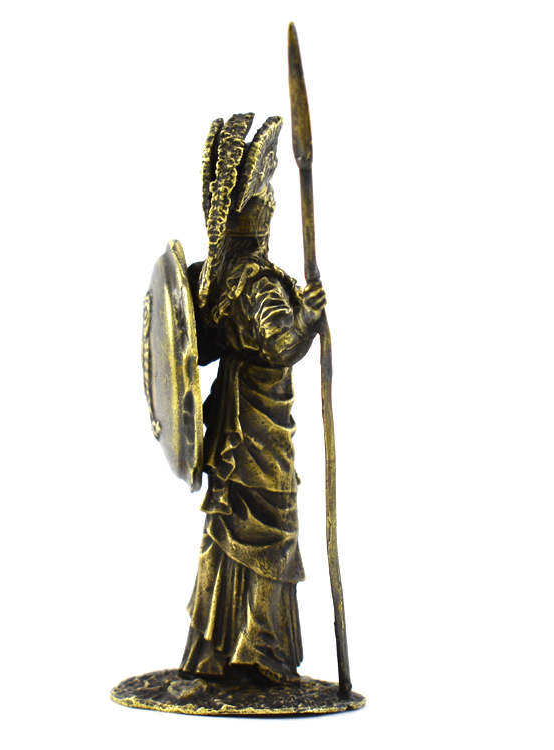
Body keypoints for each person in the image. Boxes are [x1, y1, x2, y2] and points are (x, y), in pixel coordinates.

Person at [180, 113, 326, 685]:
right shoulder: (258, 283)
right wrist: (307, 319)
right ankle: (264, 653)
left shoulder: (224, 277)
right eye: (265, 195)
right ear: (254, 212)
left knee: (226, 538)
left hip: (236, 430)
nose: (272, 203)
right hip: (259, 435)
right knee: (273, 536)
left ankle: (213, 653)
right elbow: (280, 344)